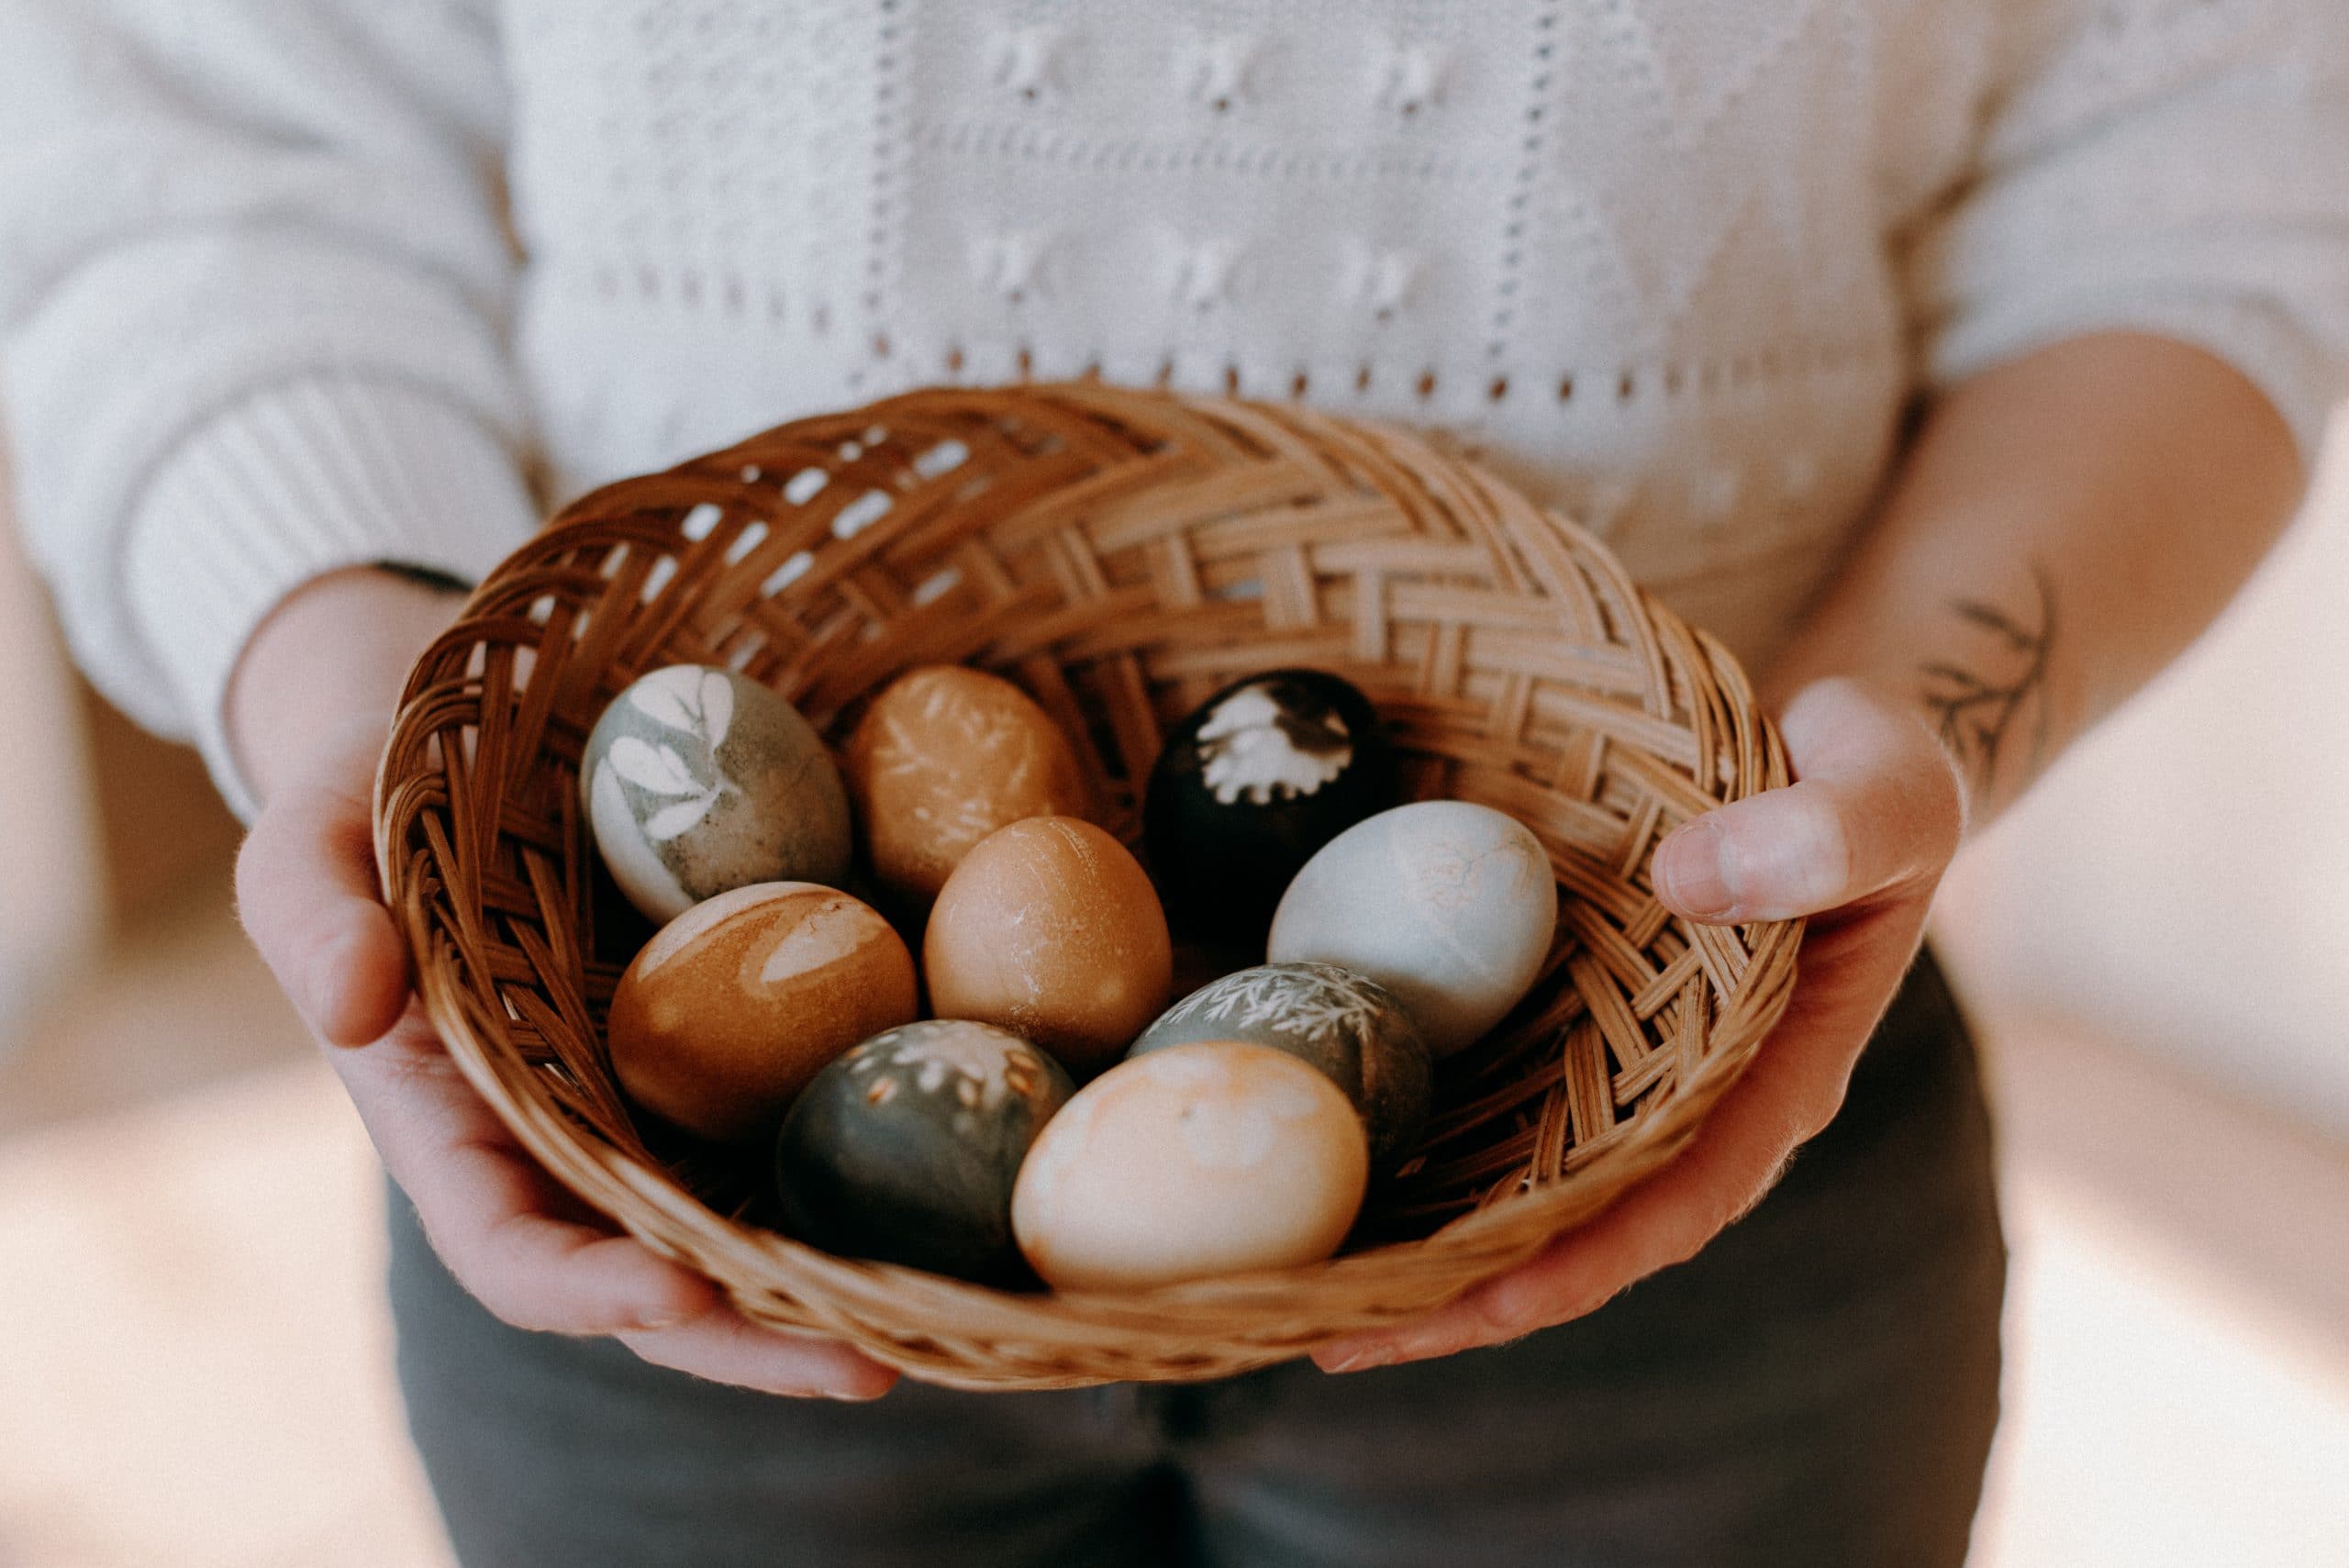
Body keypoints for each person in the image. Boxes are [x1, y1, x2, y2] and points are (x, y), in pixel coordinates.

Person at [4, 3, 2344, 1563]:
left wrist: (1902, 717)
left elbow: (2194, 157)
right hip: (675, 1218)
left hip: (1681, 1073)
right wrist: (366, 706)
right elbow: (203, 128)